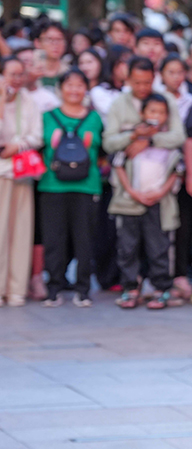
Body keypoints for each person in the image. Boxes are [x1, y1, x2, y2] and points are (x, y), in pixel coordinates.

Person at [108, 94, 182, 309]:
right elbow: (118, 164)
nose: (155, 116)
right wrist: (131, 191)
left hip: (159, 202)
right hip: (130, 202)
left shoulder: (168, 143)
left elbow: (178, 171)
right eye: (151, 111)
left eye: (160, 112)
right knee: (128, 247)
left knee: (158, 246)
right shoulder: (131, 140)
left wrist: (161, 192)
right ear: (142, 114)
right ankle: (131, 288)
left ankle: (161, 289)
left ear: (167, 117)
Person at [39, 68, 103, 307]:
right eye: (69, 85)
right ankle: (53, 288)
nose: (74, 90)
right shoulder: (47, 116)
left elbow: (103, 149)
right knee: (54, 238)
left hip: (87, 186)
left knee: (84, 238)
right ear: (60, 89)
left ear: (86, 89)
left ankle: (83, 289)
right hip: (52, 185)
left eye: (79, 85)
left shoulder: (95, 118)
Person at [0, 55, 44, 307]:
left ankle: (16, 289)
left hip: (21, 173)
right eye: (11, 74)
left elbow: (36, 136)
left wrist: (17, 145)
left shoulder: (29, 102)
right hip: (1, 173)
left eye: (20, 75)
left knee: (20, 233)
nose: (16, 80)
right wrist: (2, 100)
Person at [159, 54, 192, 122]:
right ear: (161, 74)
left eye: (180, 72)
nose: (176, 77)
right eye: (171, 72)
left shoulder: (190, 101)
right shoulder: (155, 97)